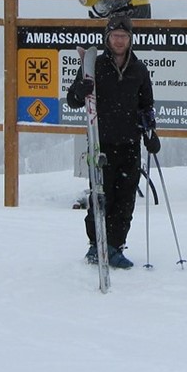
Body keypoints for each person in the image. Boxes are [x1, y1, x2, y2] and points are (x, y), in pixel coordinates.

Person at [66, 15, 160, 269]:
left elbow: (146, 106)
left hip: (130, 142)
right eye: (115, 36)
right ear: (107, 38)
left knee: (125, 197)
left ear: (130, 39)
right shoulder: (93, 66)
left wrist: (151, 133)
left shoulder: (139, 70)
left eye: (124, 36)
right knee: (100, 194)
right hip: (101, 142)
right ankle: (96, 245)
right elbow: (72, 100)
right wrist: (79, 91)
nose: (119, 41)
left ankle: (115, 246)